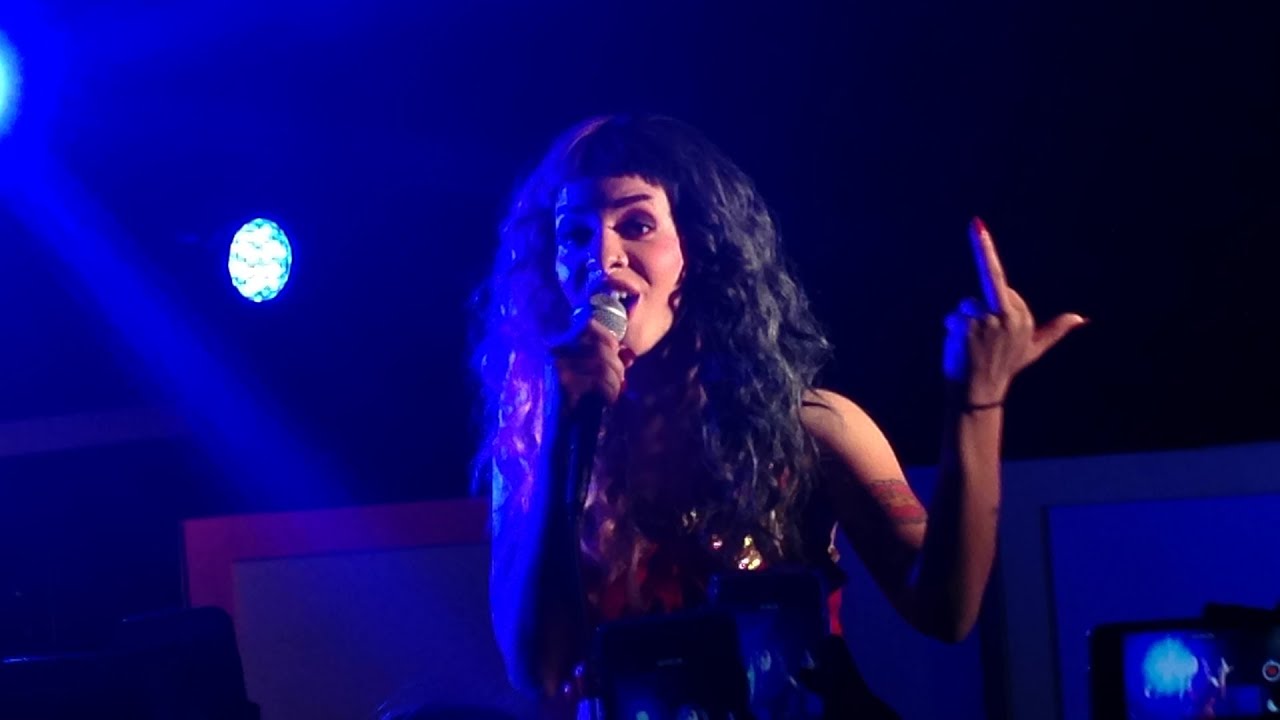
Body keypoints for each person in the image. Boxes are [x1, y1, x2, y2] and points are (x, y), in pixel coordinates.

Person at [473, 114, 1085, 713]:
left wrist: (976, 402)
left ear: (699, 248)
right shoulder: (530, 446)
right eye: (574, 236)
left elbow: (944, 611)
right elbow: (538, 669)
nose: (602, 256)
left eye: (636, 225)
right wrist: (564, 435)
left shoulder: (811, 427)